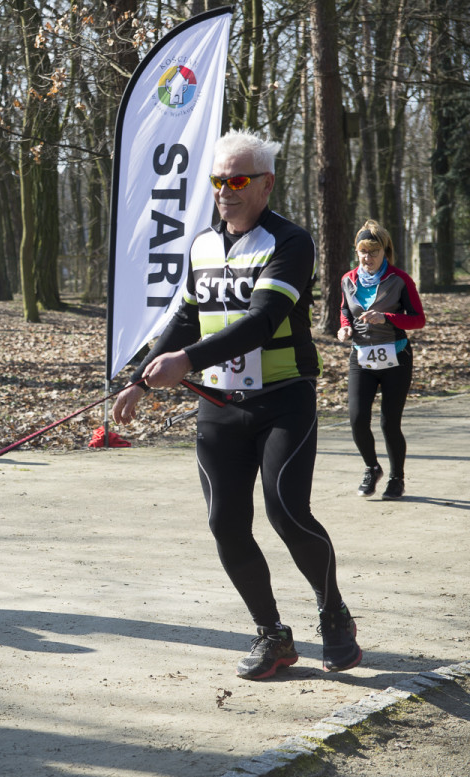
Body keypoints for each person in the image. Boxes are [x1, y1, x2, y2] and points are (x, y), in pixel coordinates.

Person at [111, 130, 361, 680]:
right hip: (219, 406)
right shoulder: (201, 243)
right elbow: (183, 318)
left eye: (238, 180)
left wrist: (187, 361)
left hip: (282, 401)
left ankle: (334, 614)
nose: (226, 190)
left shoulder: (290, 243)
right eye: (218, 180)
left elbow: (262, 320)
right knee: (225, 522)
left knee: (286, 511)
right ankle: (272, 635)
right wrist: (140, 379)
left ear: (266, 185)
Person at [337, 221, 425, 501]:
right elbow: (345, 311)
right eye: (363, 251)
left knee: (389, 422)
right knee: (356, 418)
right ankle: (372, 467)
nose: (368, 257)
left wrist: (386, 317)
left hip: (396, 357)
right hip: (361, 358)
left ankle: (396, 478)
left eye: (373, 252)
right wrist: (344, 327)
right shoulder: (347, 279)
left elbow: (418, 319)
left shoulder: (400, 279)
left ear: (385, 252)